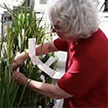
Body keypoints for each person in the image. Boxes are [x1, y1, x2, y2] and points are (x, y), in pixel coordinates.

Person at [12, 0, 108, 108]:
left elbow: (57, 92)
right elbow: (49, 47)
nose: (53, 30)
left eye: (57, 27)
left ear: (74, 25)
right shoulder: (78, 34)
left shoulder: (90, 56)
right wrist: (24, 55)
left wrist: (23, 80)